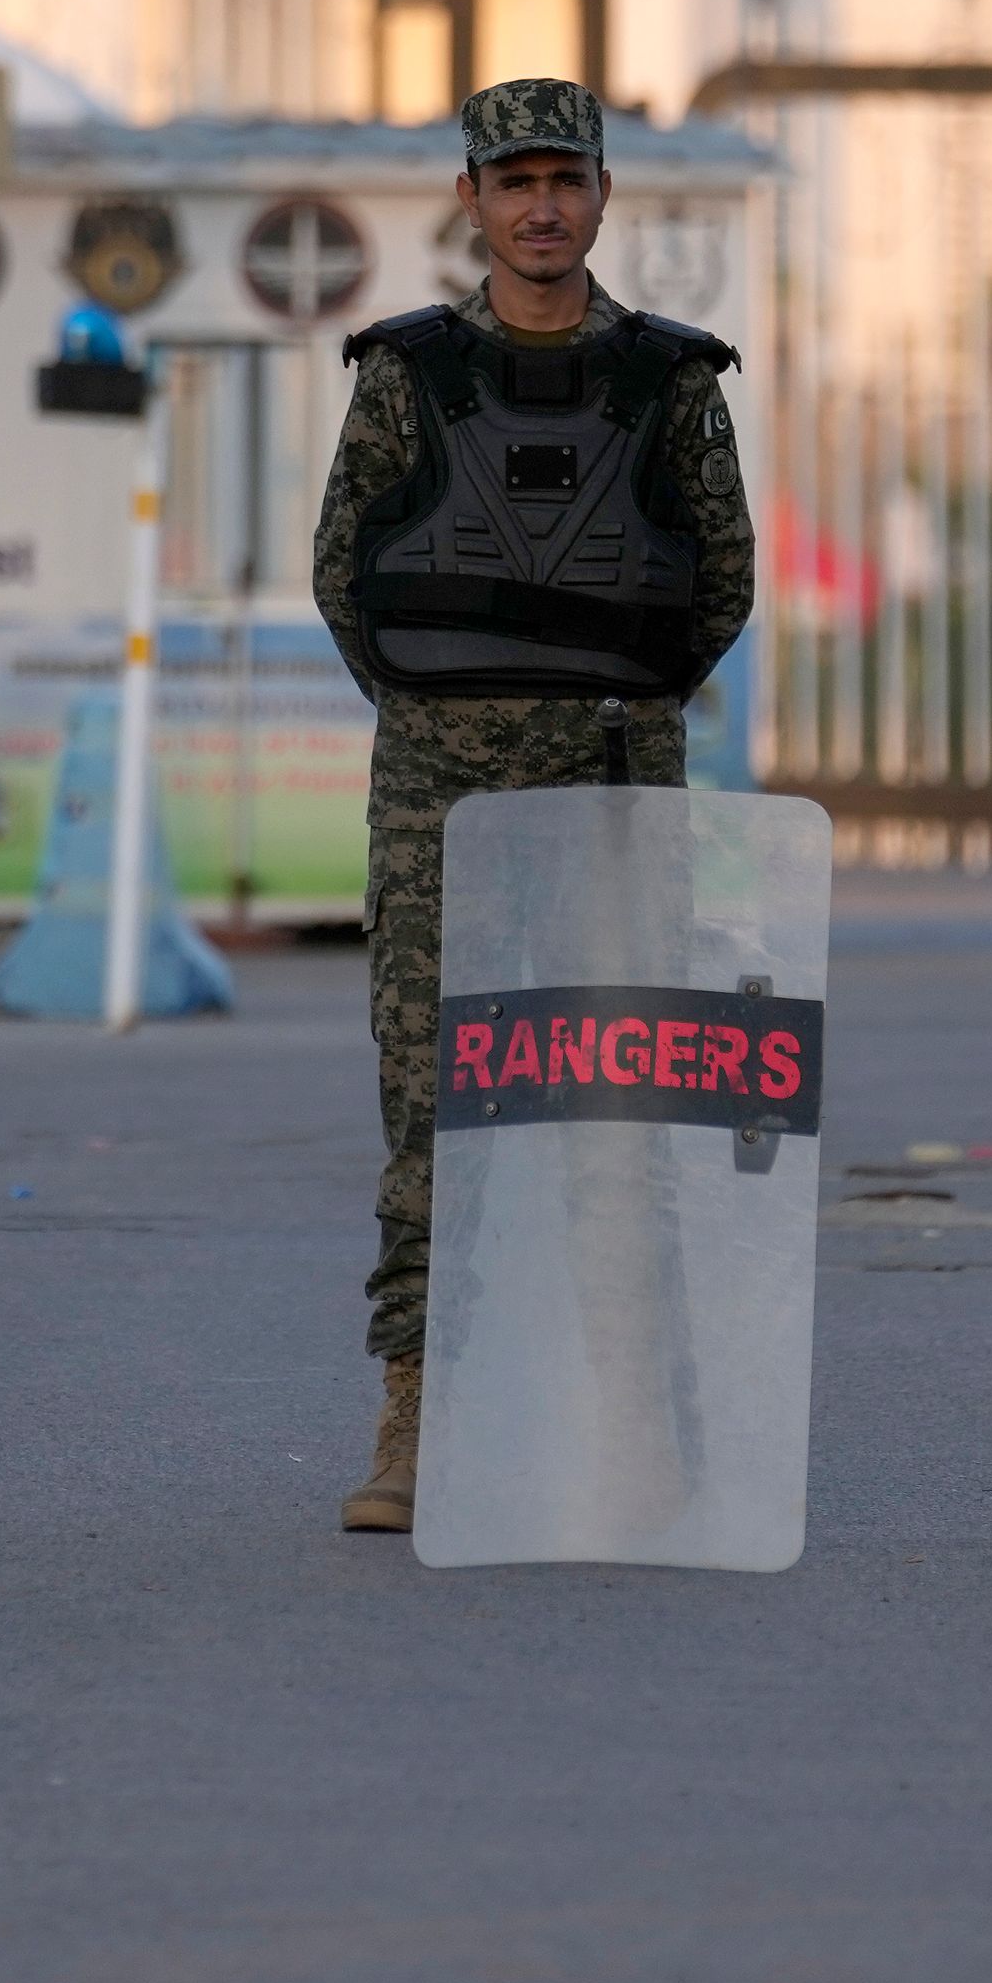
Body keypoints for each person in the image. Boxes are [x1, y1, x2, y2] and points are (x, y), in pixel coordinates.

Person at [310, 78, 757, 1535]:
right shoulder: (403, 376)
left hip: (618, 788)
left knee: (622, 1117)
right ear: (473, 201)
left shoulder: (677, 383)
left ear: (606, 195)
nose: (542, 206)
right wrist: (454, 713)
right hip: (438, 800)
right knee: (434, 1116)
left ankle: (634, 1431)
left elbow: (720, 583)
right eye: (515, 183)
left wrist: (597, 699)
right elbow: (346, 577)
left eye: (567, 179)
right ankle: (414, 1423)